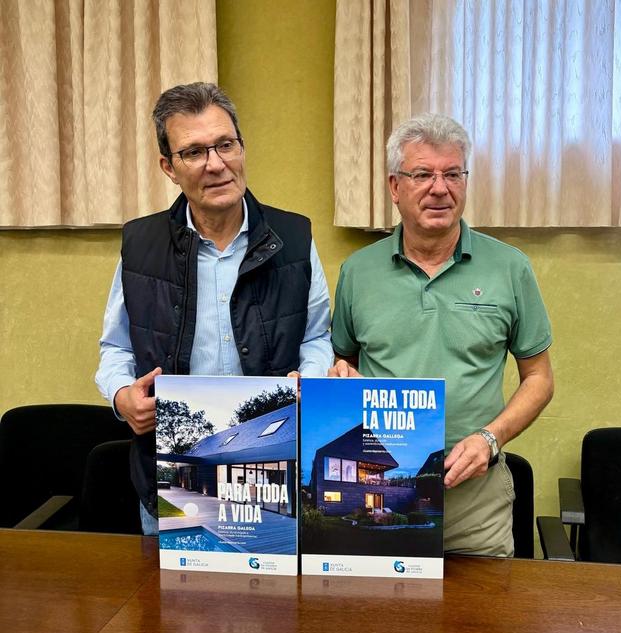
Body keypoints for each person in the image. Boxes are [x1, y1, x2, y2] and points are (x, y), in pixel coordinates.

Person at [96, 82, 332, 534]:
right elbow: (115, 348)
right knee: (176, 604)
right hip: (173, 472)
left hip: (269, 466)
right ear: (169, 166)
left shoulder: (294, 238)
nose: (216, 164)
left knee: (277, 601)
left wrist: (313, 379)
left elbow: (316, 336)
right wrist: (121, 396)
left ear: (241, 147)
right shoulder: (140, 245)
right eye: (195, 152)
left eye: (226, 145)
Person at [330, 114, 554, 556]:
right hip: (383, 485)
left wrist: (491, 438)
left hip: (473, 498)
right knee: (375, 622)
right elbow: (343, 363)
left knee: (479, 622)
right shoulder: (358, 272)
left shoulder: (510, 268)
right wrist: (339, 376)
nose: (439, 188)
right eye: (422, 175)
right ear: (395, 187)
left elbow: (540, 379)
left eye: (452, 174)